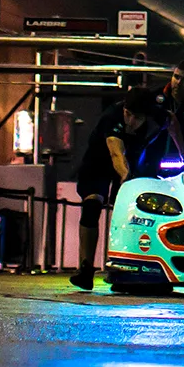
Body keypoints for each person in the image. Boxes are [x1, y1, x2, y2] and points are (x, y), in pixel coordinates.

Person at [69, 86, 163, 291]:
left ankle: (131, 268)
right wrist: (126, 179)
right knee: (92, 205)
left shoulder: (158, 116)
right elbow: (116, 155)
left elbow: (172, 124)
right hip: (99, 163)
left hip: (134, 158)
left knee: (132, 212)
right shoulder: (111, 117)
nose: (130, 121)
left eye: (136, 118)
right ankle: (86, 269)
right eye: (127, 115)